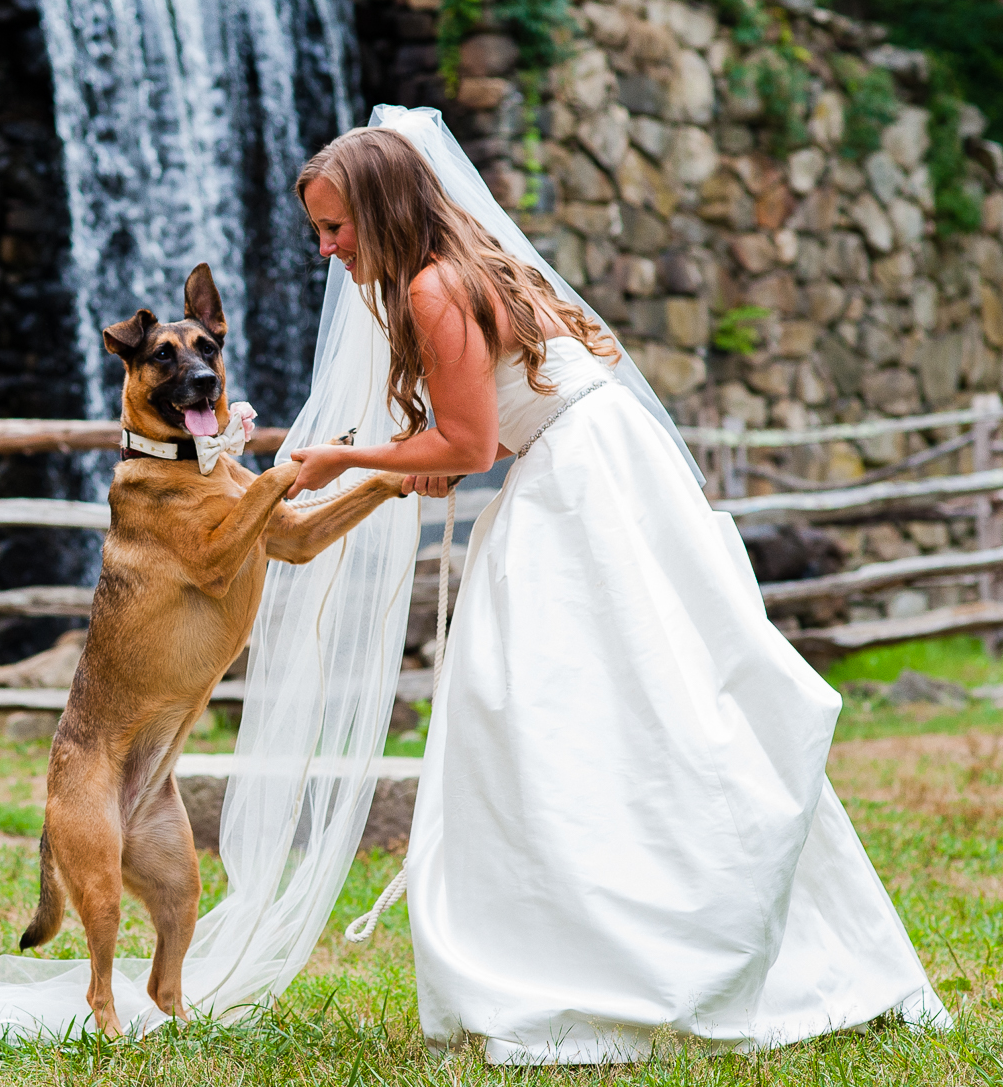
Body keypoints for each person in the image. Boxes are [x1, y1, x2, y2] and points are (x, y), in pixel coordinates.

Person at [284, 116, 946, 1063]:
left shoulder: (433, 288)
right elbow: (489, 428)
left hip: (578, 492)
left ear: (384, 210)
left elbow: (467, 446)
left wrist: (344, 460)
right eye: (320, 231)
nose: (328, 249)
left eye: (337, 227)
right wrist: (429, 457)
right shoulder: (469, 265)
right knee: (639, 705)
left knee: (545, 709)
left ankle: (607, 955)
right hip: (596, 466)